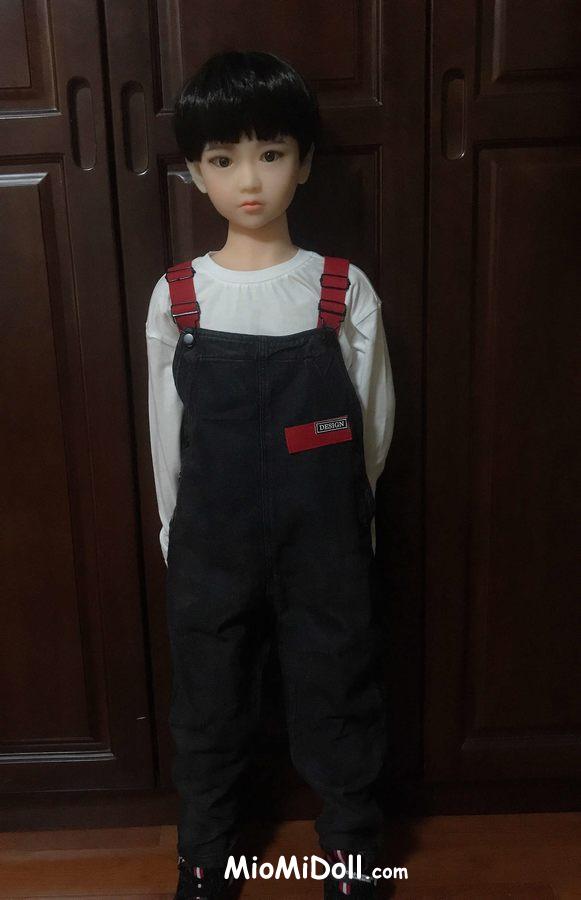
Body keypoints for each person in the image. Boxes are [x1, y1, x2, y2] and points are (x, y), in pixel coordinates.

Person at [146, 49, 396, 900]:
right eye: (223, 158)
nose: (249, 179)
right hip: (209, 541)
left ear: (305, 162)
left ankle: (354, 852)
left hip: (325, 535)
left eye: (271, 152)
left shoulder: (339, 288)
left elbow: (372, 424)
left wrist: (352, 518)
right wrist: (174, 531)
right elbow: (166, 432)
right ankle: (206, 857)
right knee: (209, 699)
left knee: (339, 687)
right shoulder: (179, 295)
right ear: (195, 173)